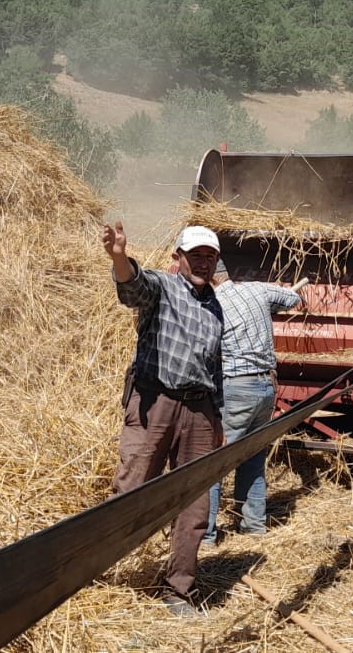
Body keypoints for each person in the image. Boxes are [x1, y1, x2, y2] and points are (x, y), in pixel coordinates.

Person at [102, 221, 224, 618]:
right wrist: (120, 257)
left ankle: (178, 588)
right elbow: (133, 286)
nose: (203, 263)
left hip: (200, 410)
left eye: (210, 256)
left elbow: (215, 365)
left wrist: (217, 417)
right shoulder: (163, 287)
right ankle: (94, 572)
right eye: (196, 256)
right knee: (131, 488)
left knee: (195, 504)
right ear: (178, 258)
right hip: (156, 403)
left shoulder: (215, 306)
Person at [203, 263, 303, 545]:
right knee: (253, 457)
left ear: (210, 277)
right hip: (267, 388)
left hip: (236, 387)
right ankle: (253, 526)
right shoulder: (256, 290)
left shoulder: (212, 303)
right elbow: (294, 298)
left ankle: (206, 536)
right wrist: (267, 309)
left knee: (214, 463)